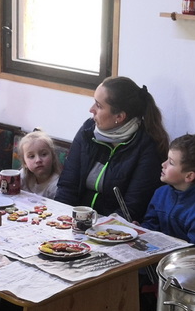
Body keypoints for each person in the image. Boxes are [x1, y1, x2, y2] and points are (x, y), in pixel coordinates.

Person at [56, 76, 169, 222]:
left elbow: (131, 208)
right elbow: (67, 186)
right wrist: (61, 219)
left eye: (99, 106)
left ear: (119, 116)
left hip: (114, 227)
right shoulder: (88, 130)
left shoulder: (147, 146)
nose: (91, 110)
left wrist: (99, 229)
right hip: (78, 220)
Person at [142, 133, 195, 246]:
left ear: (189, 176)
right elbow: (150, 225)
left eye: (171, 163)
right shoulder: (161, 193)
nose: (163, 164)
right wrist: (140, 230)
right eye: (167, 159)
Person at [0, 129, 62, 198]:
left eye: (44, 154)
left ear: (53, 157)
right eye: (32, 156)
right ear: (25, 163)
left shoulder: (56, 184)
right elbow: (7, 188)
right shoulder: (24, 174)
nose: (38, 160)